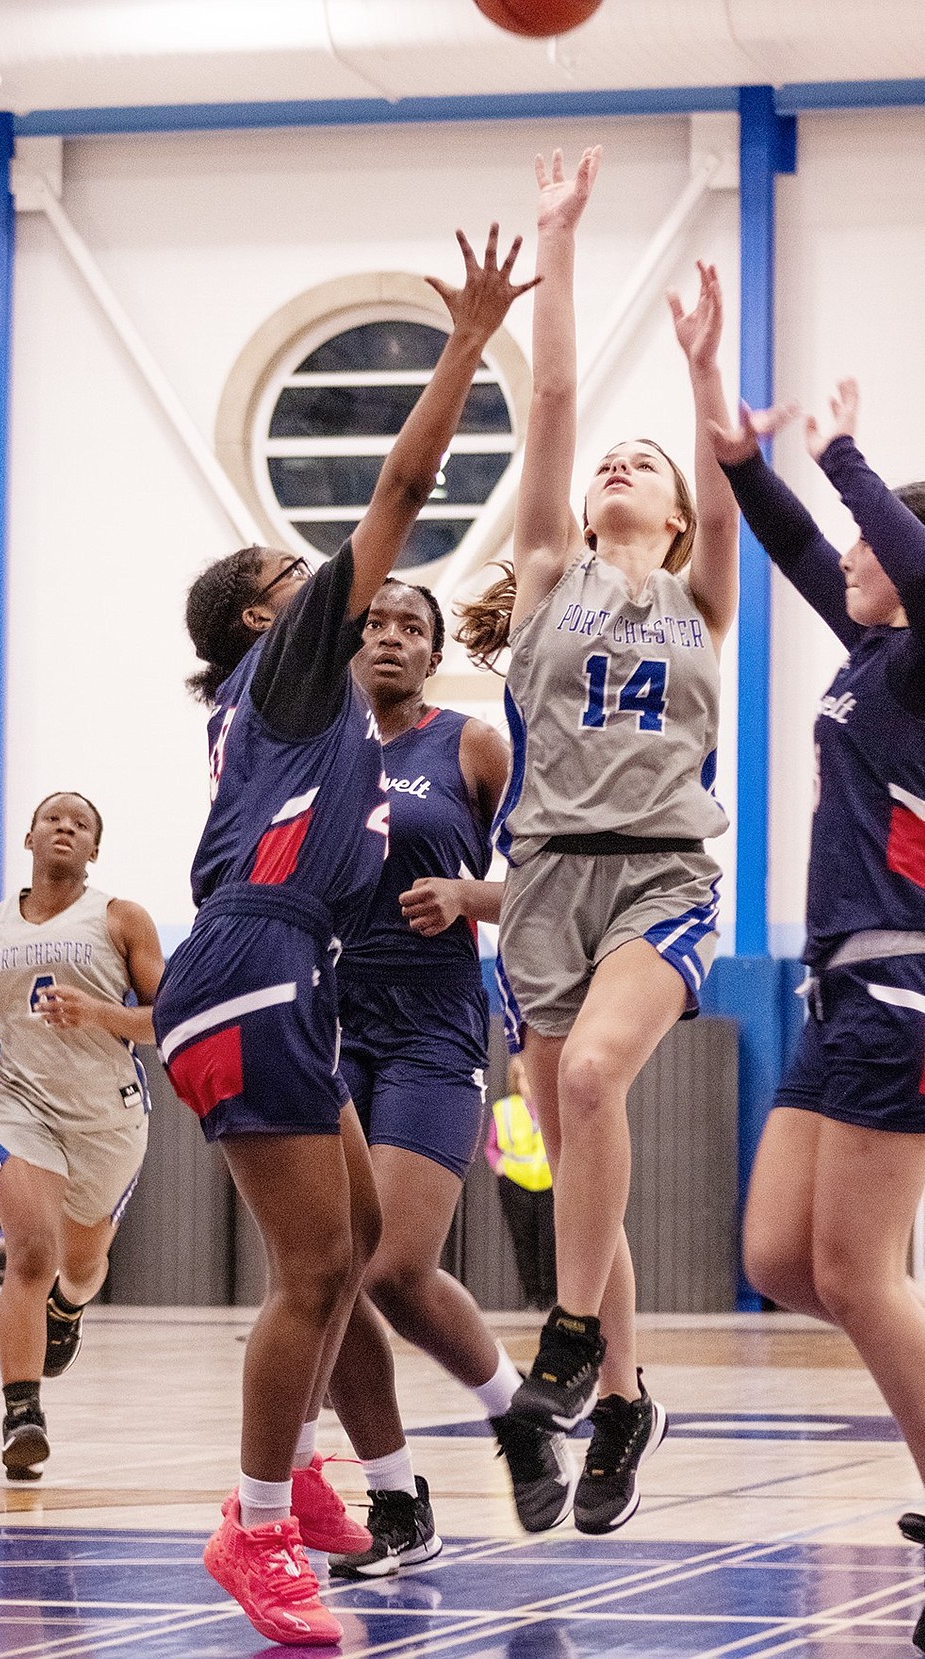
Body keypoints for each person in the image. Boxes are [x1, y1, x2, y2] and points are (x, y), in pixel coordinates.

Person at [153, 225, 534, 1649]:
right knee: (319, 1267)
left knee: (364, 1232)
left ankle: (303, 1477)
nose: (337, 578)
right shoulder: (297, 650)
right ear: (272, 609)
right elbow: (402, 480)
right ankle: (254, 1522)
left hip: (280, 966)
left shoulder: (287, 696)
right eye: (295, 569)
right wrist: (467, 342)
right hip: (250, 962)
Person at [456, 146, 739, 1536]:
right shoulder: (549, 574)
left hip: (663, 871)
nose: (621, 464)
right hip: (548, 882)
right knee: (575, 1144)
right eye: (610, 464)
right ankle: (621, 1392)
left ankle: (567, 1334)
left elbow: (723, 470)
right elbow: (556, 395)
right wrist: (561, 239)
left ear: (677, 511)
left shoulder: (703, 589)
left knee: (600, 1079)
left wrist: (701, 376)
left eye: (651, 465)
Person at [709, 378, 925, 1655]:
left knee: (851, 1270)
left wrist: (839, 453)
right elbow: (791, 550)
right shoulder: (874, 653)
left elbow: (923, 572)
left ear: (905, 555)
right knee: (780, 1259)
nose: (844, 561)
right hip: (842, 992)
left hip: (912, 983)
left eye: (865, 546)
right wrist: (740, 465)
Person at [323, 577, 576, 1575]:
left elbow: (556, 883)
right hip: (325, 1025)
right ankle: (395, 1501)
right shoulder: (310, 752)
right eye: (373, 624)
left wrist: (470, 893)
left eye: (409, 628)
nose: (388, 637)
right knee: (325, 1278)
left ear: (432, 654)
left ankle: (512, 1416)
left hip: (430, 1027)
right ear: (348, 647)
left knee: (392, 1264)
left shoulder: (468, 746)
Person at [0, 792, 164, 1481]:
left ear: (95, 848)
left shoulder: (121, 918)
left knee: (83, 1265)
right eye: (54, 816)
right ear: (29, 836)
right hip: (18, 1103)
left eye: (82, 822)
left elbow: (167, 1014)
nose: (66, 824)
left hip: (108, 1115)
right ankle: (22, 1414)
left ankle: (69, 1306)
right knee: (32, 1252)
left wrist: (99, 1012)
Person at [485, 1054, 556, 1311]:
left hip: (550, 1182)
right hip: (515, 1182)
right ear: (516, 1081)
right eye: (523, 1077)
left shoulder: (554, 1104)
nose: (529, 1082)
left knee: (551, 1239)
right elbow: (491, 1146)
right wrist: (499, 1166)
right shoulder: (504, 1109)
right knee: (524, 1240)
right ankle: (533, 1297)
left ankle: (552, 1297)